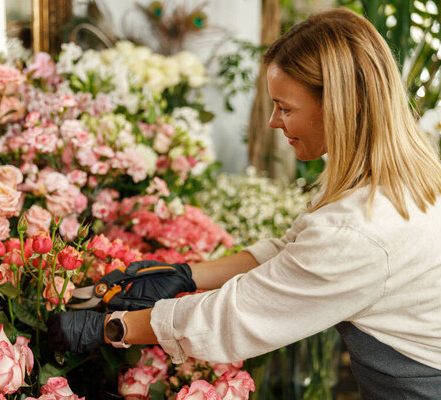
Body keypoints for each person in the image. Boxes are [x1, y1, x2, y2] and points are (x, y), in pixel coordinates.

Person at [48, 7, 441, 399]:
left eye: (285, 108)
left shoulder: (362, 228)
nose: (273, 121)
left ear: (345, 104)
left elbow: (237, 318)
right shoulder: (391, 176)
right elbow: (294, 251)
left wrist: (112, 328)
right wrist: (185, 274)